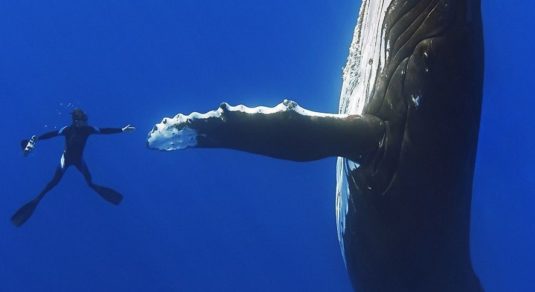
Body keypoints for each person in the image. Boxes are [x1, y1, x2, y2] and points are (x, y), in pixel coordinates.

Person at [12, 108, 136, 227]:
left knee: (89, 181)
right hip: (65, 160)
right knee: (53, 183)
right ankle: (37, 199)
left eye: (86, 120)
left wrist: (122, 130)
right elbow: (52, 134)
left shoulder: (88, 129)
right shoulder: (68, 130)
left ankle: (94, 187)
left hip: (78, 160)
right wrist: (36, 138)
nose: (86, 122)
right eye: (84, 120)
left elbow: (104, 130)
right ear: (76, 121)